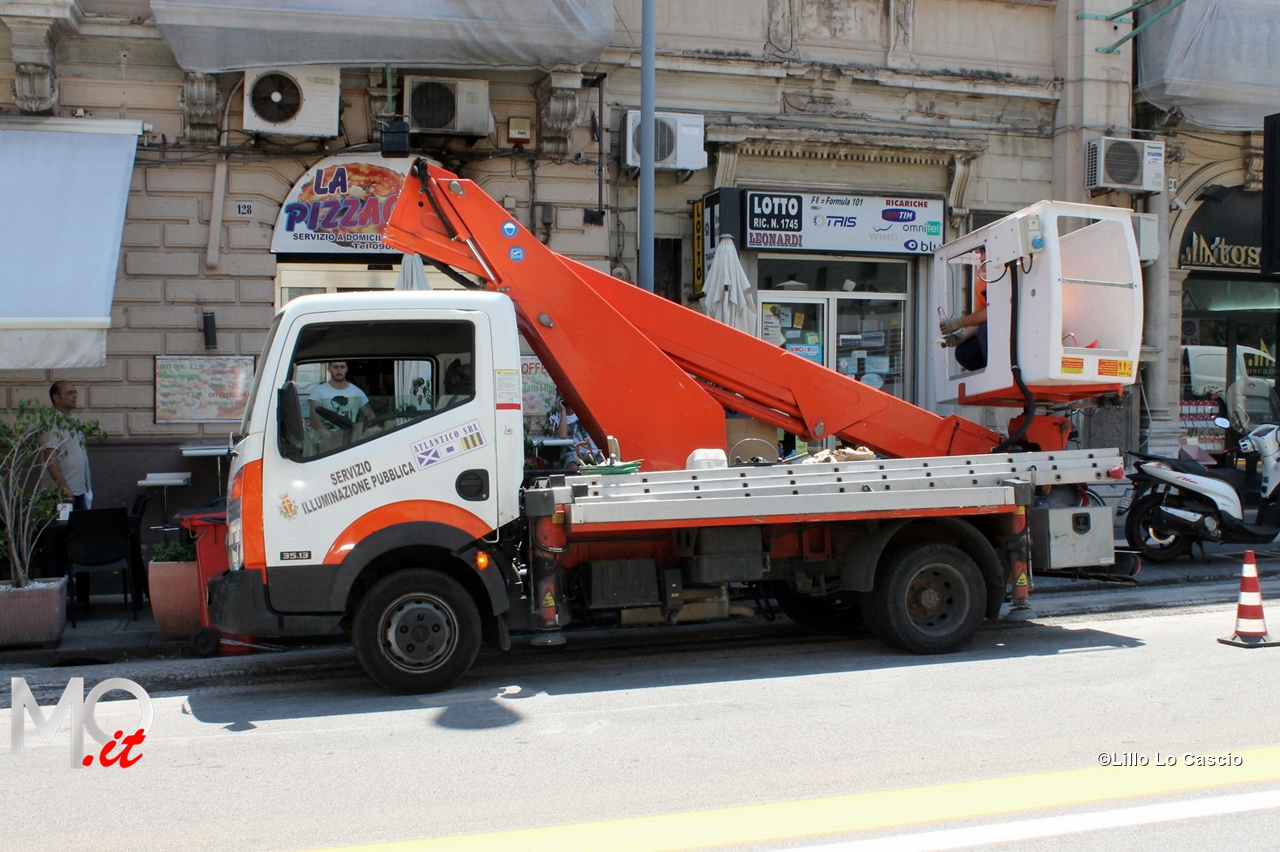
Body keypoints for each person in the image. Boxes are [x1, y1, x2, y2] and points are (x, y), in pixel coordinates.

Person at [43, 381, 92, 511]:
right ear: (56, 398)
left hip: (78, 490)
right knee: (64, 524)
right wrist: (64, 488)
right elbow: (50, 457)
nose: (74, 396)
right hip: (61, 494)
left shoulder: (73, 420)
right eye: (69, 393)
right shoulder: (52, 423)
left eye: (75, 392)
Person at [940, 255, 989, 371]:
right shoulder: (982, 282)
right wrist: (961, 336)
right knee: (964, 351)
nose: (982, 258)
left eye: (985, 252)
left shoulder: (1013, 274)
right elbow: (980, 319)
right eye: (980, 253)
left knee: (985, 330)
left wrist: (961, 322)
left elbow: (996, 310)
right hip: (997, 336)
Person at [308, 361, 374, 439]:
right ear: (329, 368)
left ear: (347, 369)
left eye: (342, 367)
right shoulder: (318, 391)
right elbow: (315, 421)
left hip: (351, 441)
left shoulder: (357, 392)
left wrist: (364, 435)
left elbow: (370, 416)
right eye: (335, 367)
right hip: (326, 442)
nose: (339, 371)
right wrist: (328, 437)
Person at [548, 392, 598, 470]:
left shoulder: (584, 411)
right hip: (572, 453)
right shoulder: (555, 417)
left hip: (593, 451)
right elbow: (562, 435)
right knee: (573, 468)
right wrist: (563, 411)